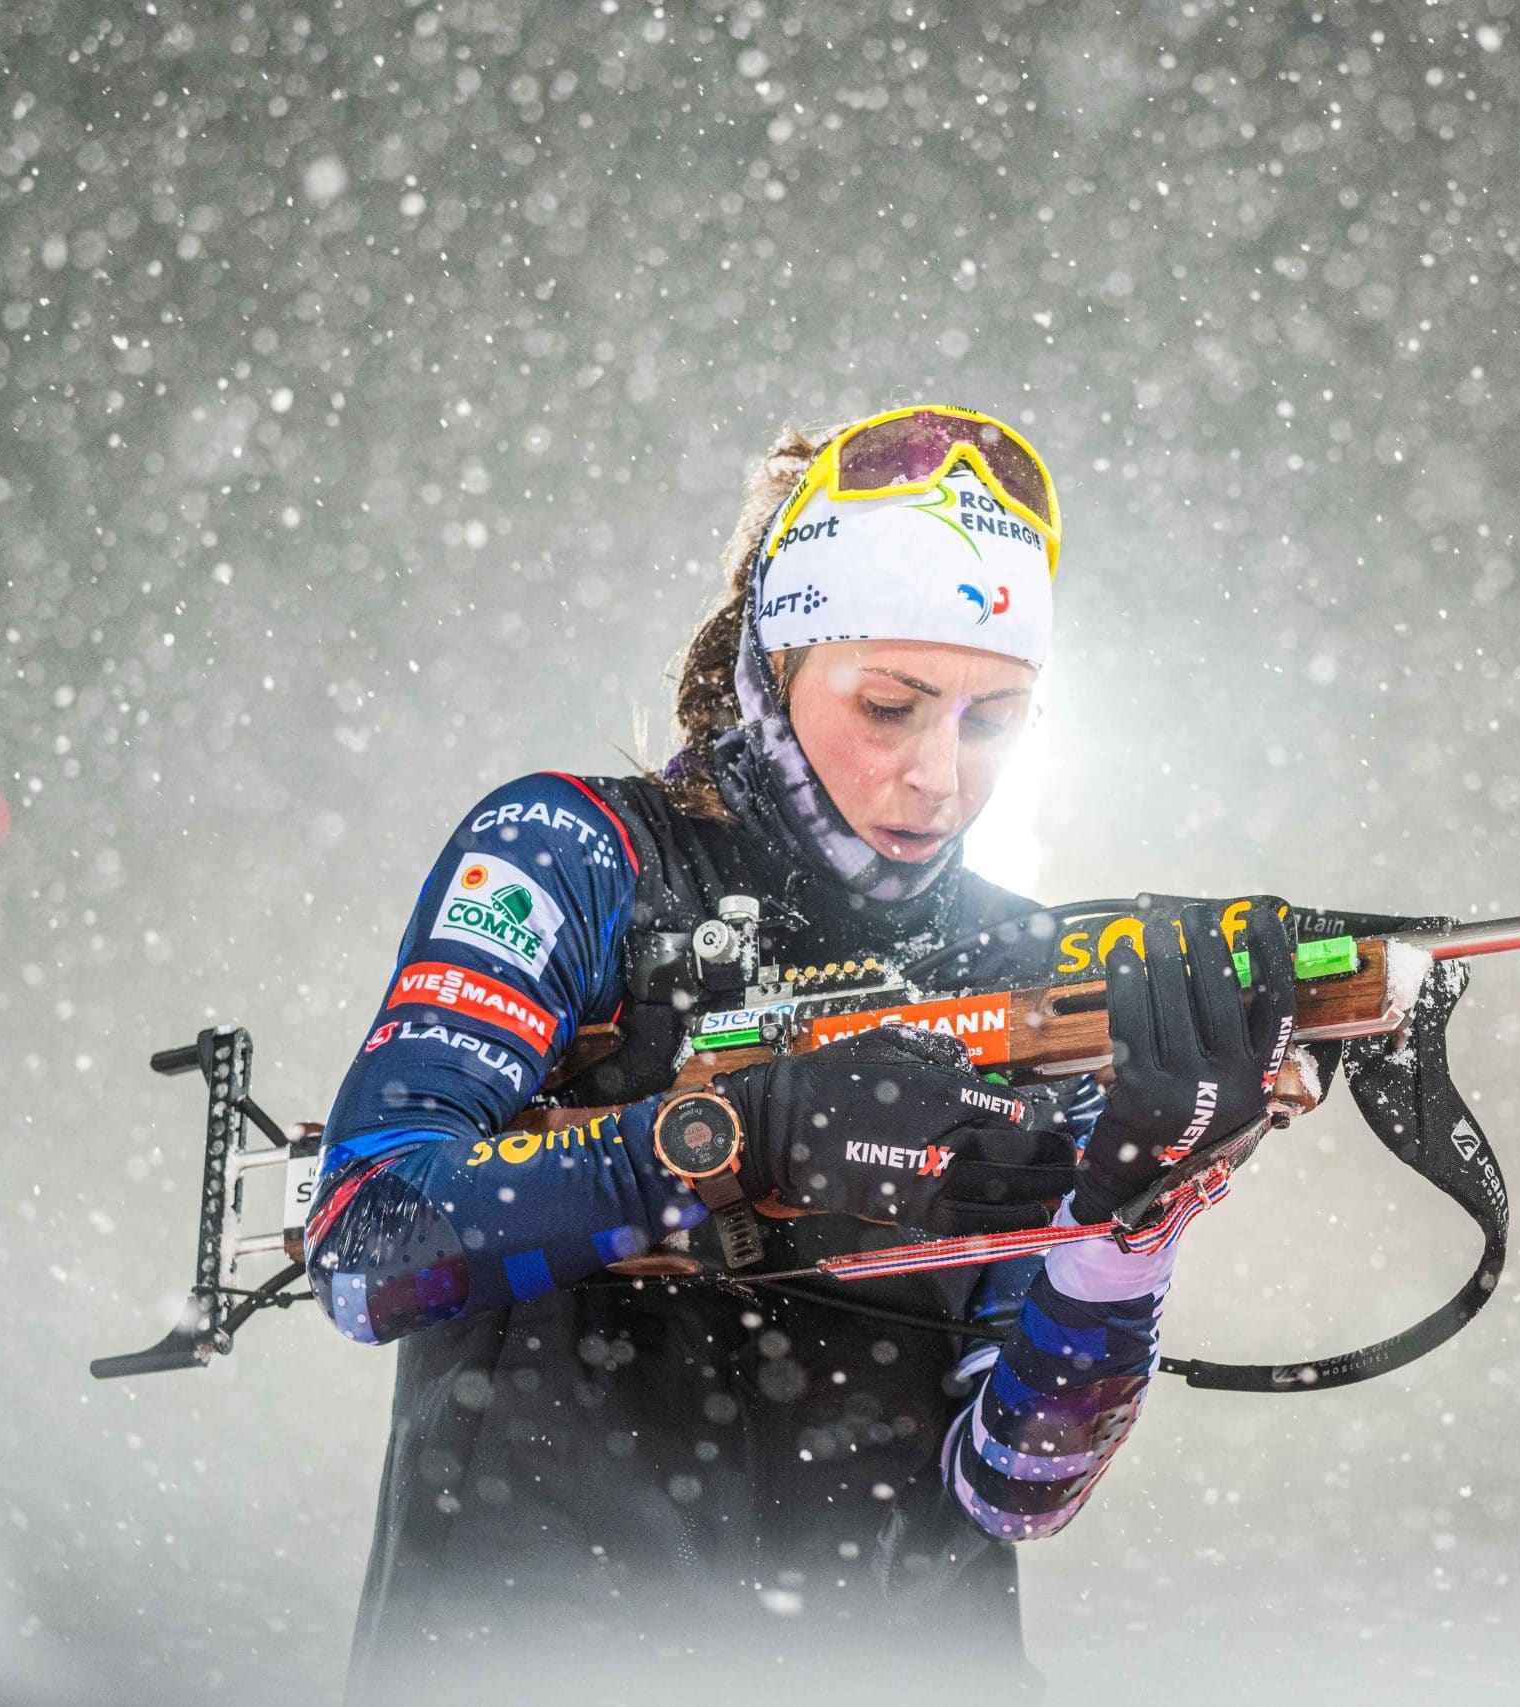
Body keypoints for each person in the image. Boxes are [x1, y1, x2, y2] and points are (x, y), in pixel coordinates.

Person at [302, 406, 1303, 1701]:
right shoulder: (573, 852)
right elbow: (364, 1238)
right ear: (772, 667)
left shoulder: (1041, 971)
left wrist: (1125, 1236)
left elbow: (1019, 1486)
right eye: (889, 706)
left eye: (995, 719)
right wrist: (745, 1141)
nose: (939, 778)